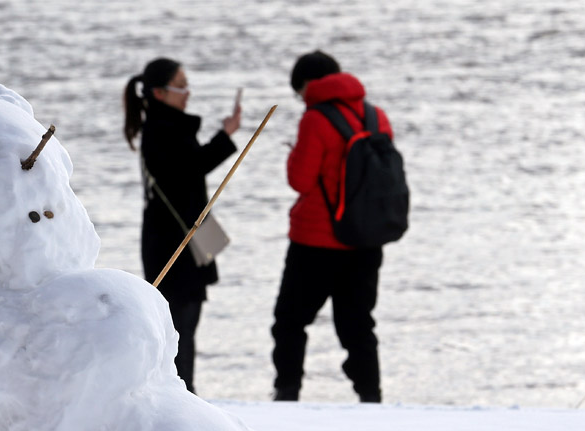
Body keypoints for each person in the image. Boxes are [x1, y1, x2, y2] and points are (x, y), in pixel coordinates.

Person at [271, 50, 395, 403]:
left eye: (299, 92)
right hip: (366, 238)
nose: (302, 99)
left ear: (308, 84)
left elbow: (300, 180)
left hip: (316, 241)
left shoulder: (315, 119)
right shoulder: (375, 116)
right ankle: (371, 397)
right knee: (358, 325)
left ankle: (287, 393)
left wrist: (294, 153)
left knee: (290, 321)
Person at [124, 58, 241, 394]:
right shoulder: (161, 130)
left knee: (183, 327)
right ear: (159, 93)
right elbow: (191, 168)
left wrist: (224, 136)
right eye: (180, 86)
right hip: (173, 243)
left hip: (179, 238)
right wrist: (225, 136)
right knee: (179, 329)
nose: (187, 92)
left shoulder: (167, 126)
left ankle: (182, 394)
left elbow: (190, 168)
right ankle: (181, 396)